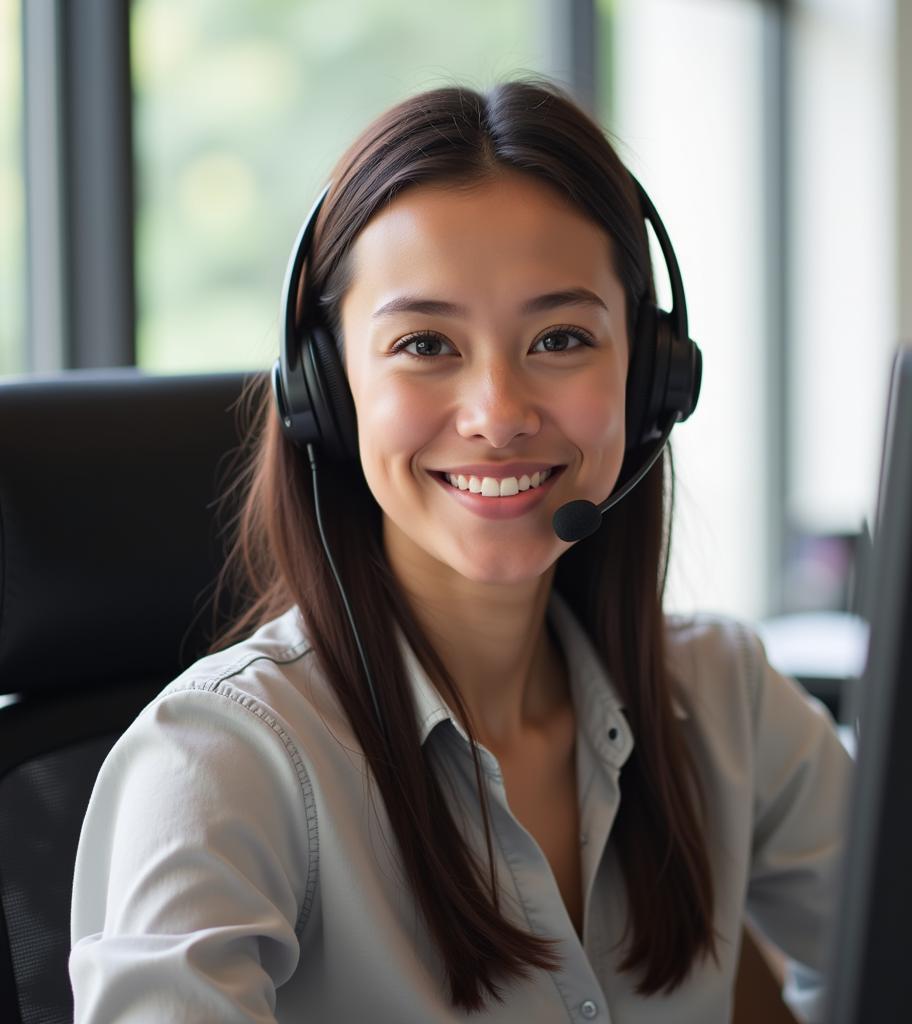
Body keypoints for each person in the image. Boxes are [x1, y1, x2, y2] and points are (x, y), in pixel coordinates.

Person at [68, 80, 851, 1023]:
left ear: (651, 376)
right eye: (426, 343)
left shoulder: (726, 699)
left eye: (560, 337)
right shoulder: (222, 763)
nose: (499, 415)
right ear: (326, 386)